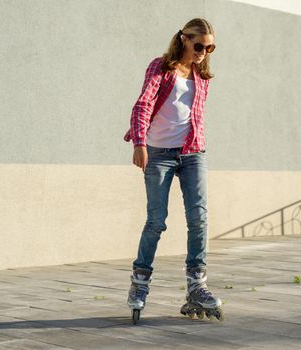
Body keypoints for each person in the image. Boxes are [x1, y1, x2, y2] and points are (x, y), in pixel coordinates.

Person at [122, 18, 223, 323]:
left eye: (210, 47)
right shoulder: (161, 67)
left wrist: (197, 144)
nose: (204, 51)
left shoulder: (202, 76)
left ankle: (197, 286)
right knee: (156, 221)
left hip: (193, 153)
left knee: (200, 218)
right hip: (158, 153)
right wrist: (139, 143)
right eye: (198, 45)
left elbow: (194, 117)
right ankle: (139, 284)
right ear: (183, 39)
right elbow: (143, 105)